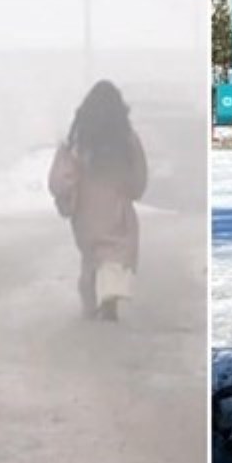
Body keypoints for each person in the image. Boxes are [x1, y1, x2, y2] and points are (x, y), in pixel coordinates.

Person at [48, 80, 147, 322]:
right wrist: (129, 190)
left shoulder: (75, 142)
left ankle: (92, 297)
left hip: (86, 212)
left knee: (92, 255)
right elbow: (138, 179)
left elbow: (60, 178)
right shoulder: (127, 141)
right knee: (115, 255)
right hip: (117, 210)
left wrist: (66, 196)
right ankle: (109, 295)